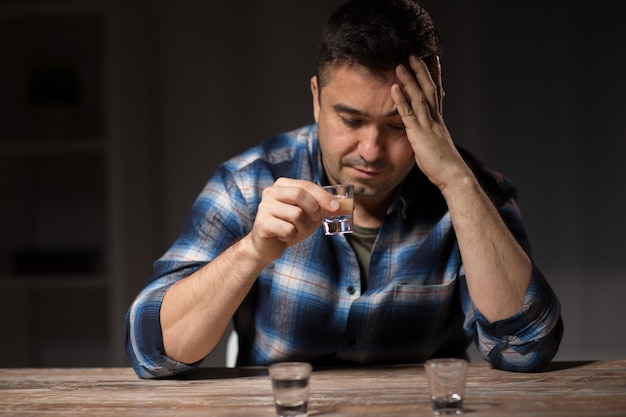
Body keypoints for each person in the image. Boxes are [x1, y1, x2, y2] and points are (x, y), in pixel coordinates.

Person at [125, 0, 563, 379]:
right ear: (316, 98)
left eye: (398, 125)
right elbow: (152, 354)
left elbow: (525, 349)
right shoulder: (247, 182)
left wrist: (456, 180)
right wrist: (252, 250)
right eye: (351, 121)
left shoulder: (478, 193)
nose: (370, 151)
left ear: (433, 111)